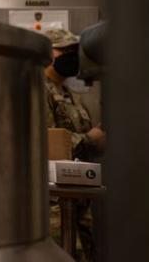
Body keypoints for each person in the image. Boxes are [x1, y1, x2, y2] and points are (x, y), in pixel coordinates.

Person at [43, 27, 104, 261]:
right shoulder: (38, 89)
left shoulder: (69, 94)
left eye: (73, 50)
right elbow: (46, 141)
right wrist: (90, 138)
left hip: (79, 198)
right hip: (55, 202)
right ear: (48, 53)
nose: (70, 56)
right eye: (64, 50)